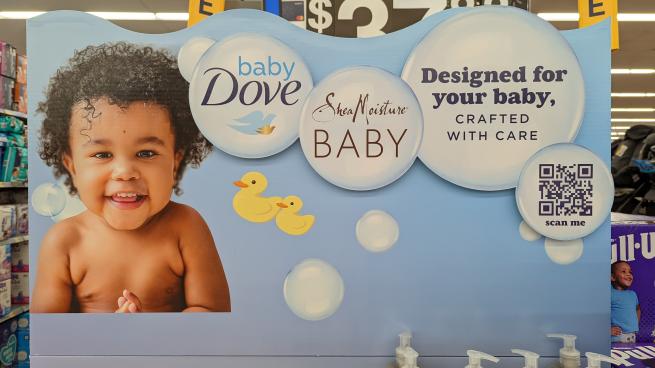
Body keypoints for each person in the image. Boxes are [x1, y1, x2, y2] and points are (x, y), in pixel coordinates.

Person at [32, 42, 231, 313]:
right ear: (72, 166)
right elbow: (49, 336)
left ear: (175, 160)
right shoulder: (65, 241)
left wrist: (145, 330)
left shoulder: (186, 228)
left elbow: (213, 313)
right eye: (102, 155)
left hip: (170, 354)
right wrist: (112, 336)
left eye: (146, 152)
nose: (125, 172)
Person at [611, 261, 640, 343]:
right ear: (613, 277)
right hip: (616, 338)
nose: (628, 274)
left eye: (630, 272)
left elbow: (637, 309)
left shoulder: (632, 294)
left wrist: (634, 325)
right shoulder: (609, 293)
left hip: (632, 337)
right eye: (623, 271)